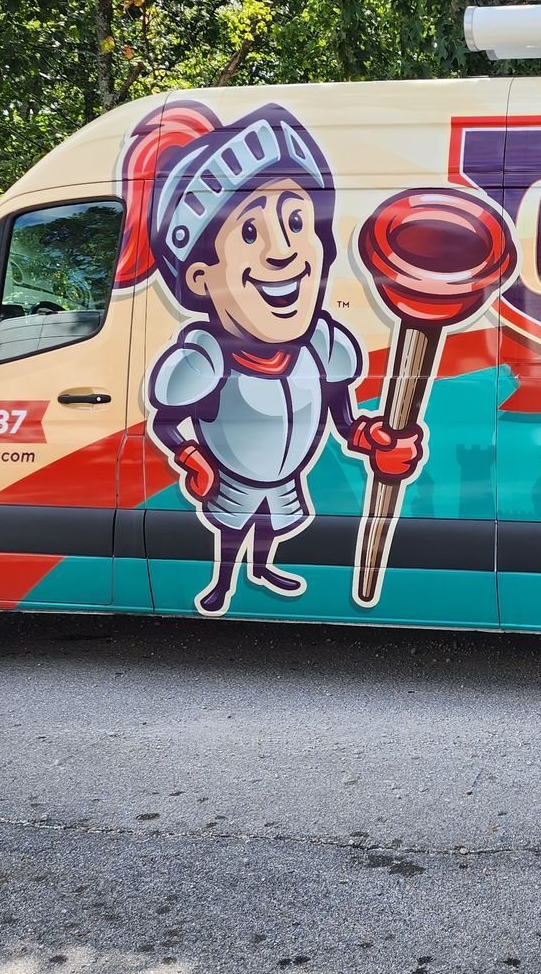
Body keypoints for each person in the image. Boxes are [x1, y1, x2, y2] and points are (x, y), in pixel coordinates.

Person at [115, 101, 421, 614]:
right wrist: (192, 458)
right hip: (232, 474)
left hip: (284, 477)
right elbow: (168, 420)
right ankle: (224, 581)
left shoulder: (322, 346)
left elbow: (342, 415)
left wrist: (372, 439)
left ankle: (262, 568)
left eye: (298, 221)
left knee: (270, 524)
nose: (284, 252)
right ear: (199, 278)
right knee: (234, 525)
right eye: (251, 232)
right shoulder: (205, 358)